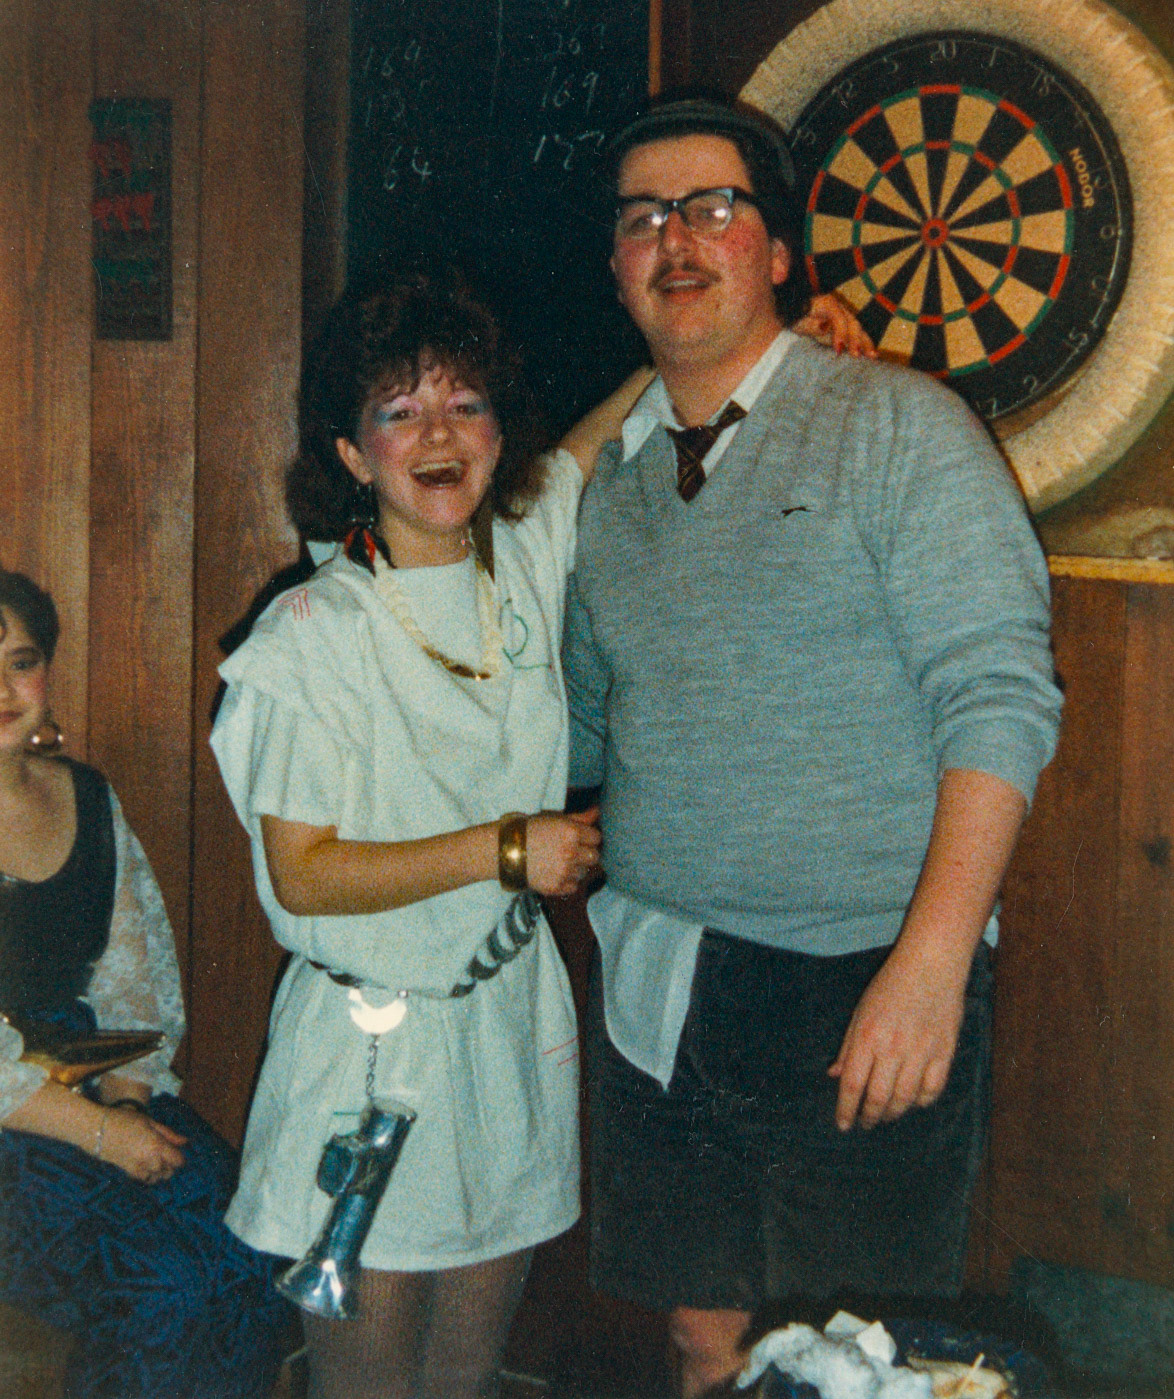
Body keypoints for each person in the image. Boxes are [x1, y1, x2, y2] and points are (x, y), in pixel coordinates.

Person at [208, 269, 869, 1399]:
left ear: (497, 433)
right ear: (353, 455)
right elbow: (302, 873)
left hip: (507, 1029)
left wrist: (762, 336)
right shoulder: (309, 634)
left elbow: (608, 427)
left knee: (465, 1383)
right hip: (370, 1055)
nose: (437, 433)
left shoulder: (518, 552)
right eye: (400, 410)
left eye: (465, 404)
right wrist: (508, 849)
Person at [561, 96, 1065, 1397]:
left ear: (778, 251)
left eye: (713, 207)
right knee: (702, 1345)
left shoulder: (898, 426)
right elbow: (578, 720)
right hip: (661, 981)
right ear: (615, 263)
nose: (676, 238)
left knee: (852, 1366)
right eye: (643, 217)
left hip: (862, 980)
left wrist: (931, 964)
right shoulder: (608, 484)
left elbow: (1000, 699)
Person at [0, 568, 291, 1399]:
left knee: (254, 1247)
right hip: (13, 1123)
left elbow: (135, 984)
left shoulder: (88, 798)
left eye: (22, 661)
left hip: (95, 1083)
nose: (3, 689)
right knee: (161, 1284)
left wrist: (128, 1104)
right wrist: (102, 1134)